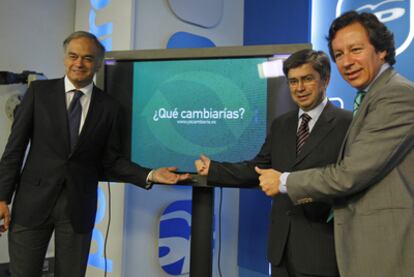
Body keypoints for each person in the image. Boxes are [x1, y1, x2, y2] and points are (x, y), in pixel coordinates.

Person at [0, 31, 189, 277]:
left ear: (98, 64)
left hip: (78, 207)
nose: (79, 63)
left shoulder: (109, 107)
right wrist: (2, 197)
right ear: (65, 58)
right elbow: (14, 149)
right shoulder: (39, 93)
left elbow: (112, 161)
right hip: (31, 203)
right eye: (73, 56)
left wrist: (151, 174)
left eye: (88, 58)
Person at [258, 11, 414, 277]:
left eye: (356, 50)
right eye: (339, 54)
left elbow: (349, 174)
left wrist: (284, 182)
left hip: (384, 246)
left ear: (382, 51)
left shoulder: (396, 95)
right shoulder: (370, 97)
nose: (347, 62)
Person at [195, 49, 352, 277]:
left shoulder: (347, 123)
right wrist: (214, 169)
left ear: (325, 80)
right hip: (280, 252)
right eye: (293, 81)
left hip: (323, 251)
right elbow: (257, 169)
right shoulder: (282, 124)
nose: (299, 88)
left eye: (307, 79)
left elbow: (346, 180)